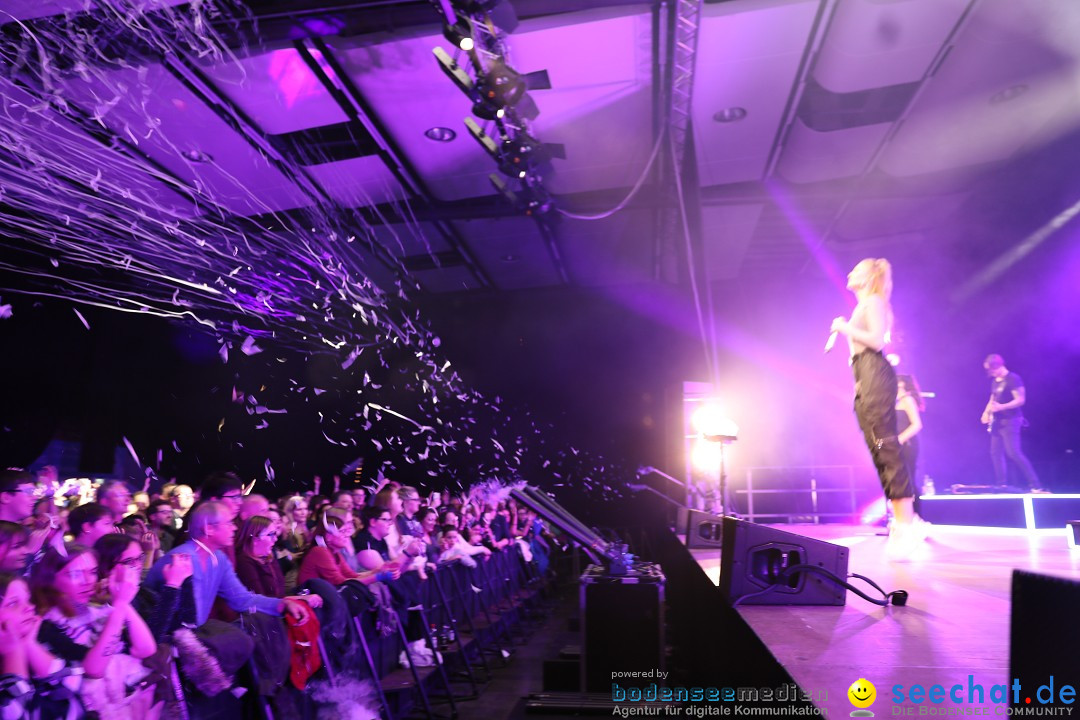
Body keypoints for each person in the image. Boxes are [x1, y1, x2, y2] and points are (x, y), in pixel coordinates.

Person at [830, 258, 923, 557]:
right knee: (878, 447)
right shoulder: (864, 304)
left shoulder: (874, 301)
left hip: (874, 375)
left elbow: (876, 341)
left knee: (886, 447)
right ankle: (904, 520)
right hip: (865, 378)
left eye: (856, 269)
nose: (849, 272)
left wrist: (844, 328)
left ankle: (907, 525)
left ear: (870, 277)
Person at [980, 354, 1046, 492]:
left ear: (997, 366)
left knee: (1013, 452)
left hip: (1011, 421)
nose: (990, 373)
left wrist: (1002, 407)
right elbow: (992, 399)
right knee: (995, 452)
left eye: (991, 369)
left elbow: (1020, 400)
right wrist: (986, 412)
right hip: (997, 422)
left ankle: (1036, 485)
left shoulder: (1013, 379)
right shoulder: (995, 381)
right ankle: (1001, 484)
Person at [896, 374, 925, 513]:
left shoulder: (908, 400)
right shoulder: (896, 402)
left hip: (908, 445)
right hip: (898, 446)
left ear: (900, 385)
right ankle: (904, 516)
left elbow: (917, 424)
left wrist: (900, 439)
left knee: (909, 480)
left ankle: (917, 515)